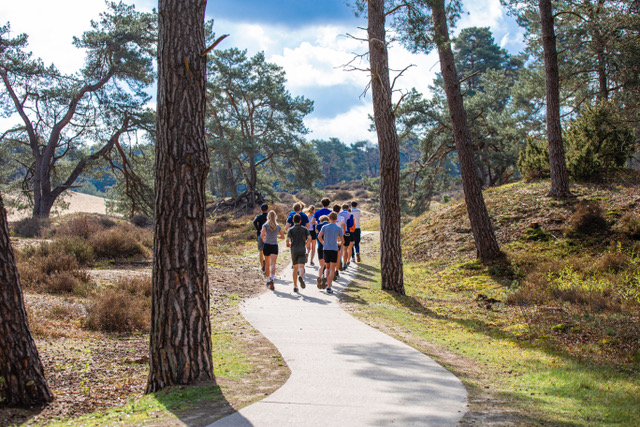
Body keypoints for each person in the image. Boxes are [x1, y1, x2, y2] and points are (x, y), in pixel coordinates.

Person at [317, 212, 343, 294]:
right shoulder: (338, 228)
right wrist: (338, 243)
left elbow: (319, 236)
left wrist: (323, 243)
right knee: (332, 269)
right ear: (336, 219)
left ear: (329, 219)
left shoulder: (325, 227)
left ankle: (324, 277)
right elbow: (343, 241)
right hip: (334, 249)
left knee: (327, 267)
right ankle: (329, 286)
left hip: (326, 249)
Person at [260, 210, 284, 290]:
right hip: (274, 245)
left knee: (267, 264)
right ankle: (272, 279)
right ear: (275, 217)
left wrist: (264, 238)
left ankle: (267, 280)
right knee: (273, 264)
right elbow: (283, 236)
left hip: (267, 245)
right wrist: (276, 236)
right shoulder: (278, 226)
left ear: (268, 217)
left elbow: (262, 235)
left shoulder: (265, 225)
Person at [286, 213, 311, 293]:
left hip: (294, 250)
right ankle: (300, 276)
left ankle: (295, 286)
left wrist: (288, 244)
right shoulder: (304, 229)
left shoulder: (291, 229)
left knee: (295, 268)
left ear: (293, 221)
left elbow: (287, 239)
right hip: (302, 249)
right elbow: (310, 238)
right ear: (300, 221)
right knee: (301, 266)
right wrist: (306, 243)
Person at [252, 203, 269, 272]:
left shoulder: (258, 216)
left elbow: (254, 222)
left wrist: (258, 228)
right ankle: (267, 265)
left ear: (261, 209)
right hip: (268, 236)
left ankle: (262, 266)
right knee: (268, 252)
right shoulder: (269, 217)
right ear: (267, 209)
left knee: (261, 251)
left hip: (260, 235)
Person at [338, 203, 355, 269]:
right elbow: (351, 224)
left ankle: (339, 261)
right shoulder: (350, 214)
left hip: (339, 231)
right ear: (348, 208)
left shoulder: (339, 214)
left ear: (342, 208)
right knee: (345, 248)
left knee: (340, 248)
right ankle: (345, 263)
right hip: (347, 232)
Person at [315, 214, 330, 288]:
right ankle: (325, 279)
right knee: (327, 266)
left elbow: (317, 233)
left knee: (321, 265)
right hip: (328, 246)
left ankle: (319, 276)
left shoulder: (318, 225)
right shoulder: (329, 226)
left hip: (320, 246)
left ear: (321, 220)